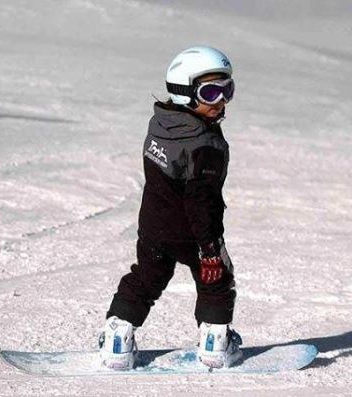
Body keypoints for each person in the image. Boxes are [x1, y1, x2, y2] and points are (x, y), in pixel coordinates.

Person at [99, 46, 242, 370]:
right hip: (193, 234)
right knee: (216, 281)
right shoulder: (205, 146)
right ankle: (215, 344)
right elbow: (200, 203)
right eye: (210, 91)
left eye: (227, 89)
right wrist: (209, 250)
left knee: (146, 278)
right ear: (184, 94)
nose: (221, 100)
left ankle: (117, 340)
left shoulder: (162, 123)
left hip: (153, 228)